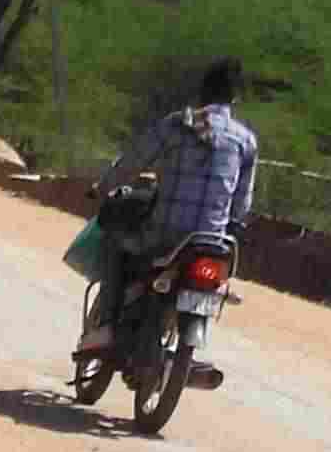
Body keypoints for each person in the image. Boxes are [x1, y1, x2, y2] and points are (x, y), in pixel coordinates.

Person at [76, 57, 259, 365]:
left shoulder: (178, 124)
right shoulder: (245, 140)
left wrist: (102, 187)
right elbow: (242, 201)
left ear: (202, 91)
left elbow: (133, 161)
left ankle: (106, 324)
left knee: (120, 248)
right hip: (213, 243)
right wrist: (232, 223)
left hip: (164, 234)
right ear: (234, 97)